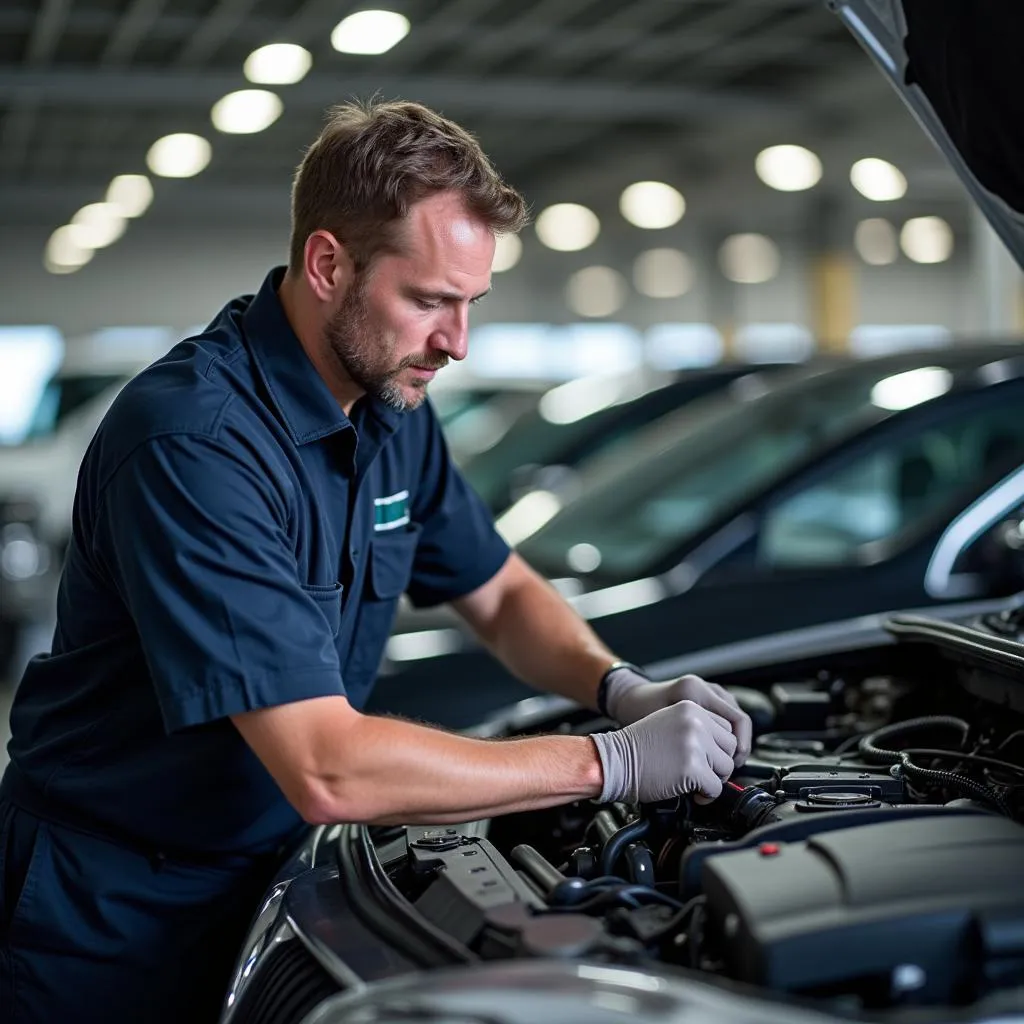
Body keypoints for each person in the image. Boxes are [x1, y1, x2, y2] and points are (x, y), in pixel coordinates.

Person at [0, 99, 751, 1023]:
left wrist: (619, 686)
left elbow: (503, 593)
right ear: (328, 265)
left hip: (273, 881)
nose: (456, 342)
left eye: (470, 304)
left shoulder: (390, 406)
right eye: (431, 300)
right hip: (114, 914)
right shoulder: (194, 442)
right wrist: (612, 764)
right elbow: (327, 768)